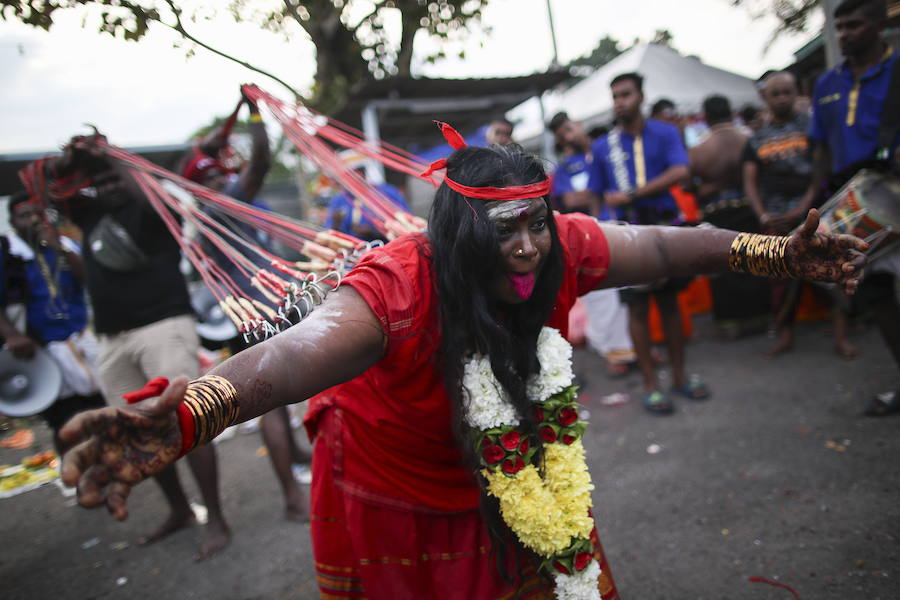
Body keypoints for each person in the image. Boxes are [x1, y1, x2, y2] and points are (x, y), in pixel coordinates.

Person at [57, 131, 866, 599]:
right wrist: (198, 409)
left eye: (536, 225)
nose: (523, 247)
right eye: (503, 230)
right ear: (458, 231)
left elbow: (657, 245)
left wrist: (770, 253)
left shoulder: (563, 248)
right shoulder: (399, 284)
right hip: (395, 479)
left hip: (511, 467)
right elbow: (296, 351)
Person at [21, 135, 231, 559]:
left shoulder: (152, 207)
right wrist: (71, 159)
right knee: (135, 431)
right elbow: (48, 191)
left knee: (188, 422)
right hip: (112, 338)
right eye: (101, 180)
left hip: (164, 325)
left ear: (129, 174)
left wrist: (114, 158)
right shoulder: (93, 212)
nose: (109, 186)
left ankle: (217, 518)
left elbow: (141, 185)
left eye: (114, 178)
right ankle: (180, 511)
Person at [182, 88, 312, 521]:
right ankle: (294, 496)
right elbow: (259, 160)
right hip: (252, 315)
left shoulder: (207, 217)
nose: (223, 183)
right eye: (212, 181)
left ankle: (296, 456)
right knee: (270, 399)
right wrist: (255, 117)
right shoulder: (224, 207)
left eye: (222, 177)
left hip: (254, 310)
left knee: (278, 392)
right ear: (200, 191)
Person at [587, 72, 707, 414]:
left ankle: (681, 377)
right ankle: (652, 387)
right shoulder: (603, 146)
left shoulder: (665, 132)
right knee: (637, 309)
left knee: (671, 304)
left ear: (641, 96)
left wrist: (634, 194)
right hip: (625, 237)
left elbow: (681, 172)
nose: (619, 102)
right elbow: (597, 195)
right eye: (615, 96)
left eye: (625, 94)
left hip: (666, 229)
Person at [806, 0, 900, 415]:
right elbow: (822, 149)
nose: (844, 33)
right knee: (877, 297)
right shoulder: (827, 83)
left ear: (880, 25)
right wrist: (812, 204)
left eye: (854, 25)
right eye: (839, 26)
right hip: (852, 205)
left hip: (894, 194)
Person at [745, 71, 858, 358]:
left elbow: (821, 171)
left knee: (832, 269)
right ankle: (785, 334)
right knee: (779, 278)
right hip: (775, 218)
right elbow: (750, 181)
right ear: (764, 97)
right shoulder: (756, 137)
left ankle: (841, 336)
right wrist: (763, 216)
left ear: (796, 92)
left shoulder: (811, 127)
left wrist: (804, 209)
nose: (782, 99)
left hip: (815, 214)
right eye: (775, 93)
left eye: (787, 92)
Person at [0, 192, 105, 454]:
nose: (34, 221)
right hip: (42, 351)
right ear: (12, 222)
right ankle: (78, 477)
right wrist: (11, 334)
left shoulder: (65, 246)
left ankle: (111, 471)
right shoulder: (6, 255)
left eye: (39, 214)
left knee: (102, 412)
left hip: (82, 341)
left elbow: (89, 281)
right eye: (25, 215)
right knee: (66, 424)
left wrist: (60, 247)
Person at [548, 111, 635, 376]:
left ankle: (636, 346)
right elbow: (572, 200)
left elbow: (626, 185)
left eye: (570, 127)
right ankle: (615, 353)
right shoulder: (564, 167)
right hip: (588, 237)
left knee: (631, 292)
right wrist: (602, 192)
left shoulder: (604, 152)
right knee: (601, 295)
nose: (569, 135)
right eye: (563, 133)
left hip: (620, 226)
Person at [690, 94, 771, 339]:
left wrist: (712, 187)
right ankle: (763, 318)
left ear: (705, 117)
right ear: (730, 112)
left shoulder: (699, 149)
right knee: (755, 260)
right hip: (749, 205)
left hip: (716, 211)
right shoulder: (749, 139)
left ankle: (731, 324)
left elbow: (690, 187)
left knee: (724, 265)